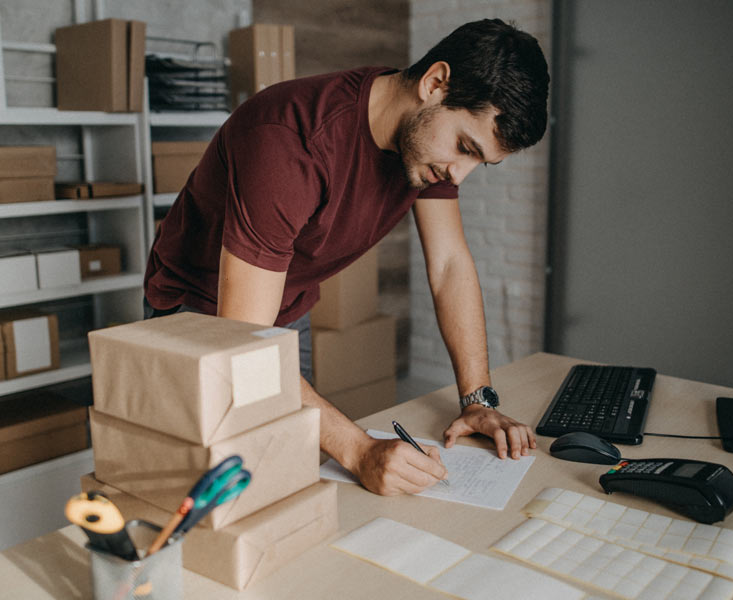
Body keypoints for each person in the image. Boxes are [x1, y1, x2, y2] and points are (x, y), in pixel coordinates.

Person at [143, 18, 550, 496]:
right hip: (197, 316)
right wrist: (358, 450)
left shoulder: (420, 137)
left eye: (480, 162)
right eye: (465, 148)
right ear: (435, 84)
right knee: (202, 494)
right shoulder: (291, 141)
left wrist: (477, 398)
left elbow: (449, 267)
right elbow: (242, 343)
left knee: (283, 477)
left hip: (284, 311)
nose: (458, 176)